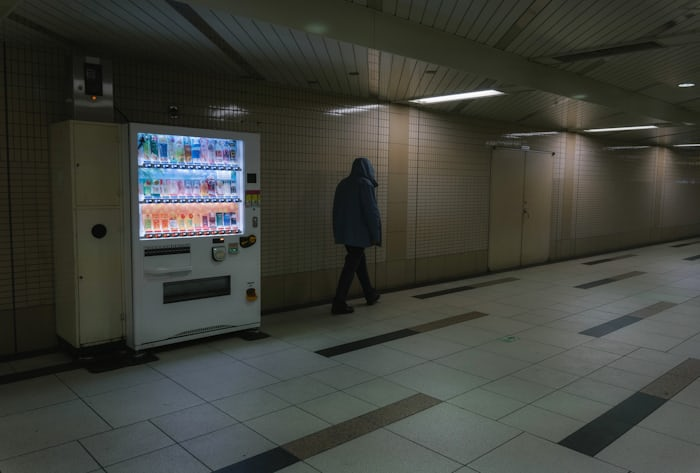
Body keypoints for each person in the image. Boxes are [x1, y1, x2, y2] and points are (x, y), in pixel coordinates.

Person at [331, 157, 382, 315]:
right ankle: (339, 301)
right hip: (359, 233)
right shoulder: (364, 184)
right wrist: (376, 234)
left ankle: (369, 293)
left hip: (346, 233)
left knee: (358, 261)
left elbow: (336, 209)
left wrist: (339, 231)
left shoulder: (343, 184)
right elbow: (371, 211)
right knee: (351, 265)